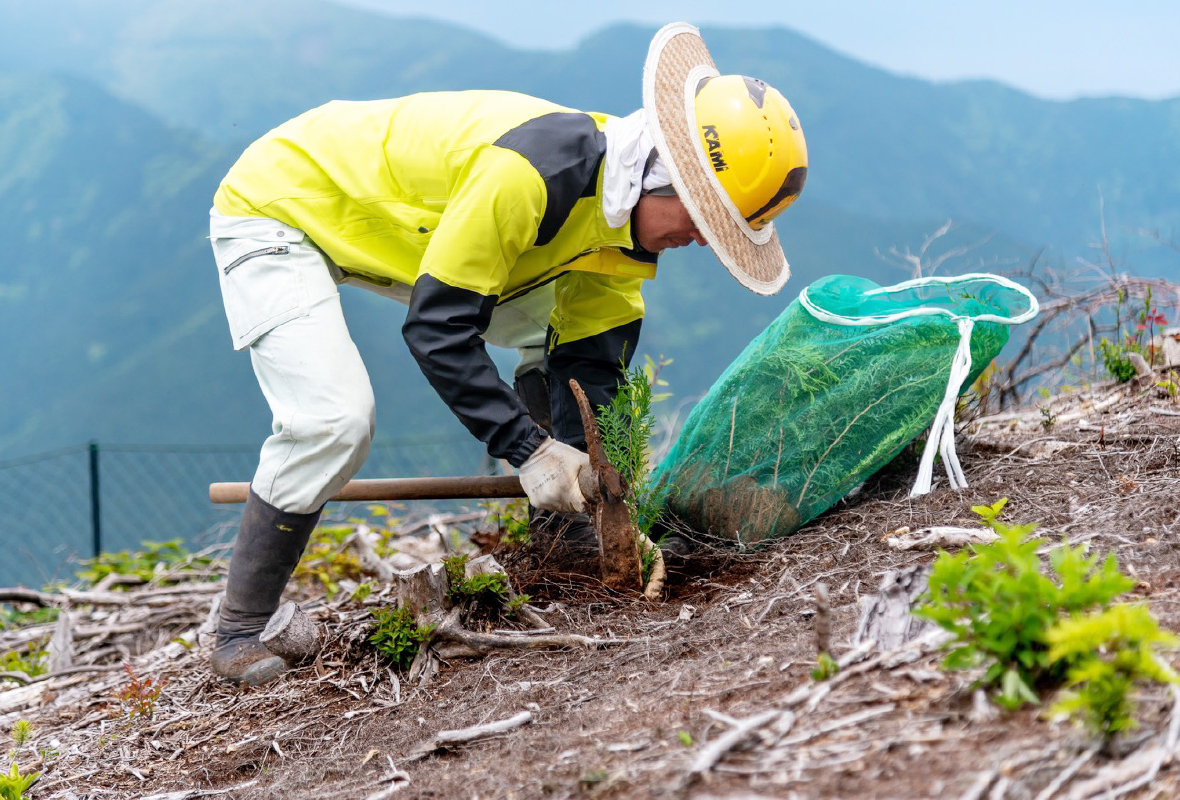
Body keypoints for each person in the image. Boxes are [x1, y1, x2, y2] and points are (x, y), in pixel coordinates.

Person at [207, 22, 807, 684]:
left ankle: (561, 538)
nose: (700, 240)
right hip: (282, 203)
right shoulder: (535, 175)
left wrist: (604, 505)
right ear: (664, 181)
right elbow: (437, 328)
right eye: (701, 221)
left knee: (548, 336)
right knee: (333, 421)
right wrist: (529, 450)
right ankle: (238, 626)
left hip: (407, 234)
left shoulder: (620, 228)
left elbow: (591, 368)